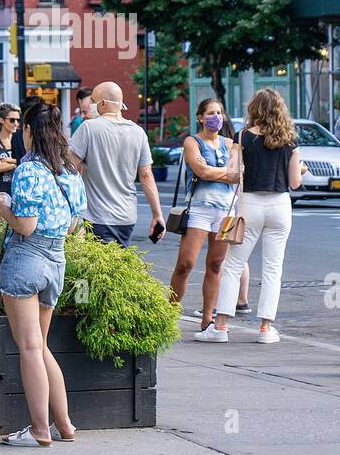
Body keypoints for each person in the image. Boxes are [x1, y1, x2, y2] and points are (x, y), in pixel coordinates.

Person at [0, 97, 85, 446]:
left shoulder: (28, 169)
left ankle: (41, 430)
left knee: (28, 347)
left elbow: (25, 226)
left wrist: (0, 206)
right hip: (56, 259)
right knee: (41, 346)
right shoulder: (68, 169)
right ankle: (65, 424)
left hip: (27, 257)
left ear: (27, 130)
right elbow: (73, 226)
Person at [199, 89, 307, 345]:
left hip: (251, 204)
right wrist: (301, 168)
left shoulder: (243, 136)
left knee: (234, 265)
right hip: (280, 205)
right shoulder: (290, 140)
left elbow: (234, 173)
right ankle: (266, 328)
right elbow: (294, 182)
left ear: (254, 109)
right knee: (273, 269)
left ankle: (221, 326)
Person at [169, 98, 238, 333]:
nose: (216, 117)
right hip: (199, 207)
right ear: (200, 117)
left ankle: (208, 317)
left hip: (226, 210)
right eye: (210, 113)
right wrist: (226, 173)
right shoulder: (192, 142)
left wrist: (219, 173)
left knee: (216, 264)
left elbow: (238, 174)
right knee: (185, 263)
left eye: (219, 112)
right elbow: (201, 170)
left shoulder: (231, 143)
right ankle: (170, 312)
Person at [67, 81, 163, 246]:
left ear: (102, 103)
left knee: (98, 268)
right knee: (119, 264)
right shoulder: (138, 132)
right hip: (126, 216)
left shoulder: (89, 128)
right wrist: (157, 215)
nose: (90, 106)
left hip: (96, 216)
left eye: (93, 101)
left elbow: (68, 167)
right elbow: (146, 176)